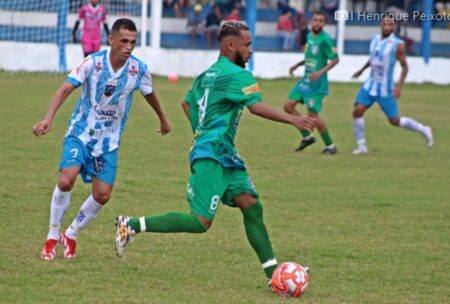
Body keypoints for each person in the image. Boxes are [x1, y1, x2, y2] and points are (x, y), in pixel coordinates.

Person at [115, 21, 314, 288]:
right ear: (231, 46)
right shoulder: (238, 75)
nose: (251, 50)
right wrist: (294, 120)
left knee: (251, 206)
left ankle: (274, 276)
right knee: (200, 222)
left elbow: (187, 103)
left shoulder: (206, 74)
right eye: (247, 45)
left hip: (224, 154)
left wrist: (201, 131)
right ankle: (131, 225)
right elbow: (255, 108)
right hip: (212, 155)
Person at [34, 18, 171, 260]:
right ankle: (52, 235)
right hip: (81, 133)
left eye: (133, 42)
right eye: (124, 41)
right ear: (111, 40)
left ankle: (72, 233)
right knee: (66, 181)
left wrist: (162, 119)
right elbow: (66, 88)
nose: (129, 47)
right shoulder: (93, 63)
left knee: (102, 195)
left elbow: (150, 94)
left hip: (109, 141)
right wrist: (48, 119)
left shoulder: (138, 69)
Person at [351, 16, 433, 154]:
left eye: (390, 24)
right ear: (381, 24)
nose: (387, 27)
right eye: (385, 24)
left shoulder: (397, 44)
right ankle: (361, 146)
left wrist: (398, 86)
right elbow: (373, 59)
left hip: (385, 88)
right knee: (357, 111)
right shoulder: (375, 39)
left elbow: (405, 67)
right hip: (370, 85)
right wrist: (361, 70)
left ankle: (423, 129)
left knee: (394, 120)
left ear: (394, 26)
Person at [283, 11, 339, 154]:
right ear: (311, 21)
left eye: (321, 21)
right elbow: (310, 57)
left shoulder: (325, 39)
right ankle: (307, 136)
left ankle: (330, 145)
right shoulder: (309, 36)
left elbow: (335, 59)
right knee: (288, 106)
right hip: (305, 80)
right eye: (315, 20)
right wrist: (298, 64)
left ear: (324, 23)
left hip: (317, 84)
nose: (317, 23)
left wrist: (320, 73)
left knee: (313, 116)